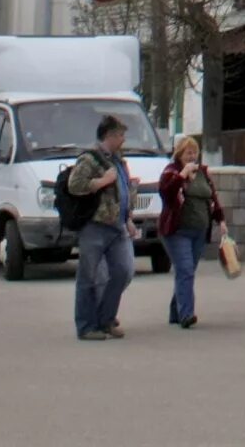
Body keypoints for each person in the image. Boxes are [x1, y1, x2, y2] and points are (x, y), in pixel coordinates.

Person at [65, 113, 137, 340]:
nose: (123, 140)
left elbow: (123, 192)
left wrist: (128, 217)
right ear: (109, 135)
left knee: (123, 271)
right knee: (88, 276)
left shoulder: (119, 160)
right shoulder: (89, 159)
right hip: (95, 226)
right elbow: (75, 185)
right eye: (120, 135)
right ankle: (86, 326)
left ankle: (106, 318)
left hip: (117, 226)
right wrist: (102, 181)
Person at [156, 135, 225, 330]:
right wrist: (182, 176)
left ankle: (175, 312)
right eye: (188, 152)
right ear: (179, 154)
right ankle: (186, 314)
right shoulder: (171, 172)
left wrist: (221, 220)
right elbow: (166, 193)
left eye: (194, 152)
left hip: (199, 230)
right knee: (185, 270)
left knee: (186, 271)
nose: (192, 156)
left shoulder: (202, 172)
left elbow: (211, 197)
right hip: (177, 231)